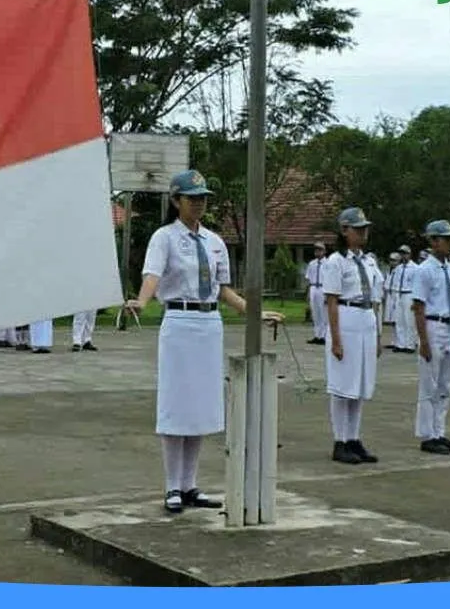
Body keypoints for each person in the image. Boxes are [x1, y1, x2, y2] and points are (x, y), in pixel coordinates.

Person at [125, 169, 278, 514]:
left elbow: (224, 290)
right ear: (176, 201)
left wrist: (256, 312)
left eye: (203, 198)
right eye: (192, 198)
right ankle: (171, 486)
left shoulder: (214, 241)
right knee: (176, 404)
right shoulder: (164, 237)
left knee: (201, 407)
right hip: (179, 321)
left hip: (209, 323)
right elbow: (153, 275)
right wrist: (143, 301)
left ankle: (190, 484)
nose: (199, 204)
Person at [321, 207, 385, 465]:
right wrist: (336, 339)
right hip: (346, 318)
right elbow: (332, 301)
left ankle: (354, 437)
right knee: (342, 386)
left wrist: (378, 336)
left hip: (366, 318)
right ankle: (340, 440)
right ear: (344, 230)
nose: (362, 233)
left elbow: (377, 300)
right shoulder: (336, 261)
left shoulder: (369, 261)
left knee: (360, 385)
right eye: (357, 229)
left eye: (364, 228)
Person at [411, 220, 450, 455]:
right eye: (446, 239)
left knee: (445, 385)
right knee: (429, 385)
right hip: (433, 326)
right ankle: (427, 435)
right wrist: (423, 341)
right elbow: (419, 307)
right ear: (433, 241)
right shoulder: (424, 270)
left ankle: (439, 431)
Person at [304, 242, 327, 345]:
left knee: (323, 313)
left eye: (320, 250)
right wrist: (308, 293)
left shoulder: (328, 264)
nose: (317, 252)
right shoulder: (312, 264)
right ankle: (317, 335)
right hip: (314, 287)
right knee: (315, 313)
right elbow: (308, 279)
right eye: (316, 250)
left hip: (323, 287)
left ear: (324, 251)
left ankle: (324, 336)